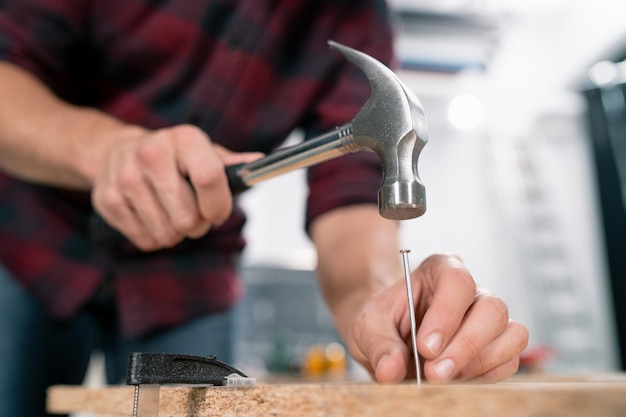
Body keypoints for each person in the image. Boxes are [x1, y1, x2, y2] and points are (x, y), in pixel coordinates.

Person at [0, 1, 528, 416]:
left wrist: (383, 307)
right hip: (28, 237)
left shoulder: (360, 18)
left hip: (191, 272)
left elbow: (349, 199)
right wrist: (106, 151)